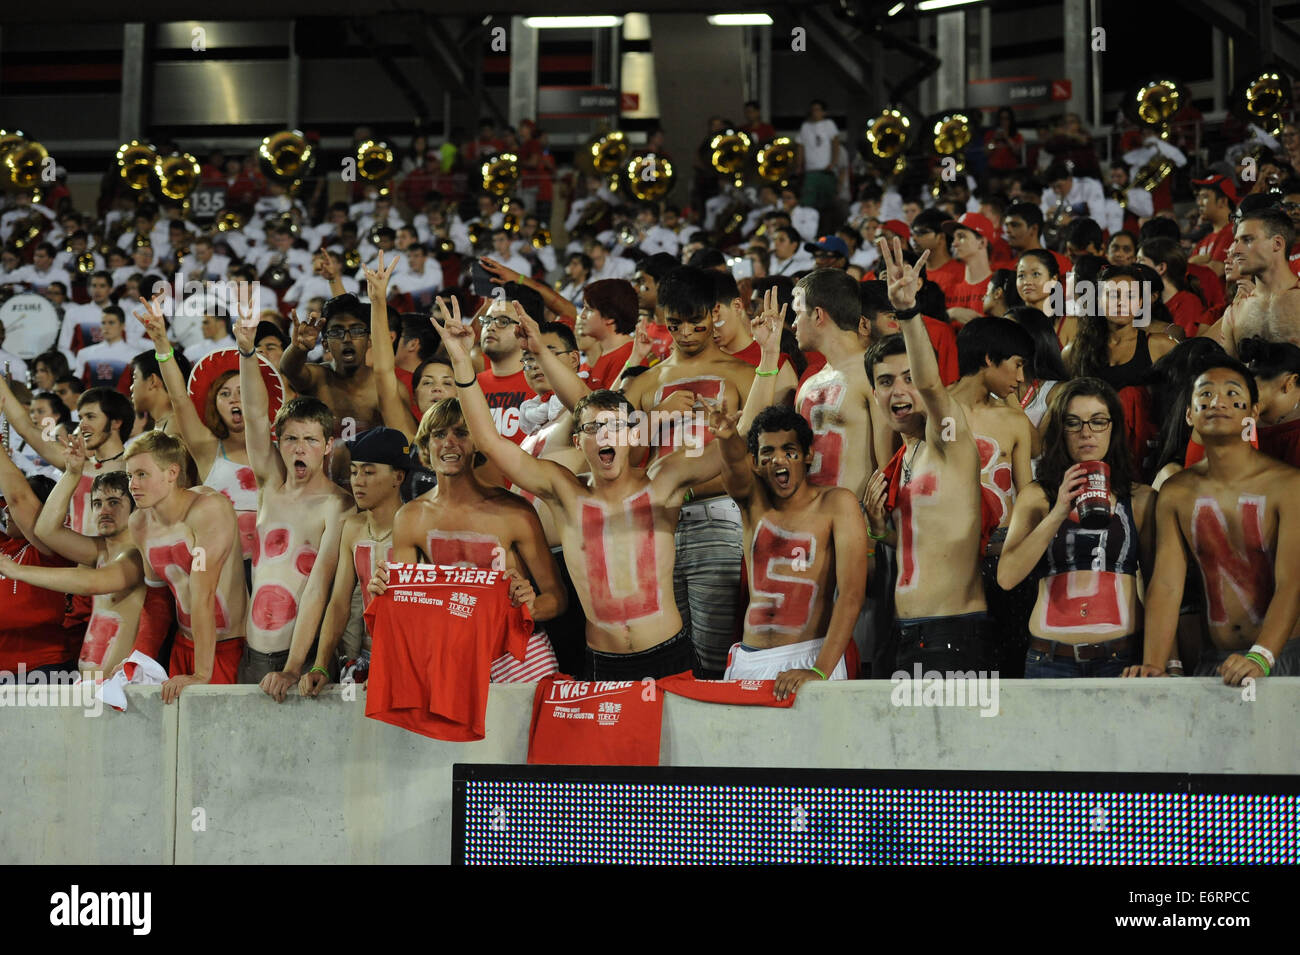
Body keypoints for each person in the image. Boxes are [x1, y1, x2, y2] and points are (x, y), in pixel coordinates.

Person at [429, 295, 727, 679]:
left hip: (669, 655)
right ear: (578, 441)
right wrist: (459, 362)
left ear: (632, 434)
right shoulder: (565, 492)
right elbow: (488, 442)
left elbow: (738, 456)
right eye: (592, 428)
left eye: (614, 427)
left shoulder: (662, 483)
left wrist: (738, 425)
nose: (604, 435)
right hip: (603, 661)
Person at [1, 430, 248, 699]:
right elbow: (157, 603)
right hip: (183, 646)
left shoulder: (209, 509)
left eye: (142, 474)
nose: (134, 485)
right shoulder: (141, 524)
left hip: (225, 648)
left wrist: (201, 672)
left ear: (172, 473)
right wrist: (138, 659)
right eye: (131, 476)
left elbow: (204, 594)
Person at [1123, 358, 1300, 683]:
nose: (1218, 402)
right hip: (1215, 660)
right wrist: (1155, 665)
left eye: (1232, 394)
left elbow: (1293, 583)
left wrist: (1261, 657)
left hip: (1283, 655)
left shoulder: (1288, 486)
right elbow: (1166, 584)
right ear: (1190, 413)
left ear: (1253, 412)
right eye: (1205, 395)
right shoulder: (1177, 492)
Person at [368, 393, 566, 680]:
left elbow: (558, 598)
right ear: (425, 445)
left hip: (519, 654)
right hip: (451, 655)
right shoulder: (410, 518)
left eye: (461, 433)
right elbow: (409, 610)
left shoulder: (514, 511)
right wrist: (386, 595)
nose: (449, 443)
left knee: (527, 727)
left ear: (478, 443)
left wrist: (531, 606)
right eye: (438, 434)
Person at [862, 237, 992, 672]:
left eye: (908, 378)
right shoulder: (905, 458)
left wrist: (907, 312)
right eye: (885, 382)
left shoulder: (948, 436)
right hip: (905, 631)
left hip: (952, 632)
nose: (899, 390)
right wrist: (882, 531)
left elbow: (933, 388)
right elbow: (926, 542)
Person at [709, 399, 867, 697]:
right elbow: (732, 465)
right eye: (767, 452)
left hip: (814, 656)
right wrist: (728, 438)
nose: (779, 460)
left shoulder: (837, 503)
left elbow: (851, 594)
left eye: (789, 451)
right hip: (750, 660)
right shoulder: (751, 502)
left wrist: (820, 670)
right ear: (755, 463)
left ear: (808, 455)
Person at [232, 306, 354, 690]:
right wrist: (248, 353)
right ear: (279, 443)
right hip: (251, 653)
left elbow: (320, 587)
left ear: (327, 446)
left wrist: (295, 666)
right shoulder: (270, 485)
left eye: (310, 440)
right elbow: (254, 415)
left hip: (300, 658)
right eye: (290, 439)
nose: (299, 449)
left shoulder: (338, 505)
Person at [997, 378, 1155, 676]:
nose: (1086, 433)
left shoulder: (1140, 498)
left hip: (1120, 657)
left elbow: (1157, 585)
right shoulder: (1037, 496)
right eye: (1074, 423)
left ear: (1113, 428)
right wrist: (1058, 511)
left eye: (1098, 421)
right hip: (1051, 659)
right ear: (1060, 430)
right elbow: (1007, 577)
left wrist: (1158, 659)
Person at [276, 427, 409, 701]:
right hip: (361, 662)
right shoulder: (352, 528)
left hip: (407, 665)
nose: (357, 481)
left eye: (369, 472)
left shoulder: (417, 527)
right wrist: (322, 664)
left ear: (398, 476)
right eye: (354, 471)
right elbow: (339, 603)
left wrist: (396, 669)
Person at [134, 292, 262, 564]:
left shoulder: (276, 449)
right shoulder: (206, 447)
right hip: (221, 569)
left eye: (242, 391)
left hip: (271, 568)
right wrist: (161, 342)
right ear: (214, 405)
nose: (235, 399)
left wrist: (248, 350)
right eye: (225, 394)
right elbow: (179, 398)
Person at [31, 443, 170, 677]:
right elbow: (45, 531)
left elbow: (92, 582)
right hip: (92, 687)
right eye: (97, 503)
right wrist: (72, 474)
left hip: (126, 689)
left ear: (135, 508)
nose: (104, 510)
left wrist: (15, 570)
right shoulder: (101, 550)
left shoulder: (139, 554)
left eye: (114, 502)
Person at [787, 270, 880, 497]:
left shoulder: (876, 373)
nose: (793, 325)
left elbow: (890, 464)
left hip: (860, 519)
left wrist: (877, 529)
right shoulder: (809, 384)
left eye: (798, 314)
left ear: (818, 315)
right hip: (810, 517)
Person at [0, 381, 132, 535]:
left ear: (116, 422)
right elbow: (27, 429)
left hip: (117, 556)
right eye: (81, 417)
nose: (82, 425)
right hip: (74, 555)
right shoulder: (76, 465)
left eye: (90, 417)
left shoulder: (134, 468)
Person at [0, 450, 79, 681]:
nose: (6, 510)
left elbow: (19, 499)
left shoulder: (52, 550)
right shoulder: (5, 545)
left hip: (42, 668)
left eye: (11, 507)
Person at [278, 292, 382, 433]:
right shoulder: (317, 378)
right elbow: (289, 369)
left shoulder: (385, 388)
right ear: (325, 344)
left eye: (356, 331)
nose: (347, 339)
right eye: (337, 332)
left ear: (369, 340)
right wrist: (297, 349)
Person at [1214, 208, 1300, 355]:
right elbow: (1231, 373)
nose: (1235, 250)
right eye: (1236, 241)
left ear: (1277, 244)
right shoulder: (1235, 312)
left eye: (1247, 240)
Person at [1240, 336, 1300, 468]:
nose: (1292, 408)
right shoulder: (1240, 414)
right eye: (1297, 400)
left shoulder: (1243, 410)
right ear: (1290, 382)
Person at [941, 213, 997, 324]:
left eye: (961, 237)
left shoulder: (999, 288)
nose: (954, 243)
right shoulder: (948, 290)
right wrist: (951, 313)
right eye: (954, 238)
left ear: (981, 242)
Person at [72, 306, 136, 389]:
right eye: (103, 323)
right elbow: (77, 386)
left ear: (122, 326)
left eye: (111, 322)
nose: (106, 327)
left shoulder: (134, 356)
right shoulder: (84, 354)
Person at [797, 100, 841, 215]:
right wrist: (799, 165)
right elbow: (800, 147)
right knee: (808, 202)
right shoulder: (805, 126)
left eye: (818, 110)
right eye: (813, 110)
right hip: (810, 170)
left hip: (826, 170)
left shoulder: (829, 124)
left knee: (828, 204)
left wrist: (833, 163)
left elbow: (835, 144)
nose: (815, 112)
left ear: (824, 112)